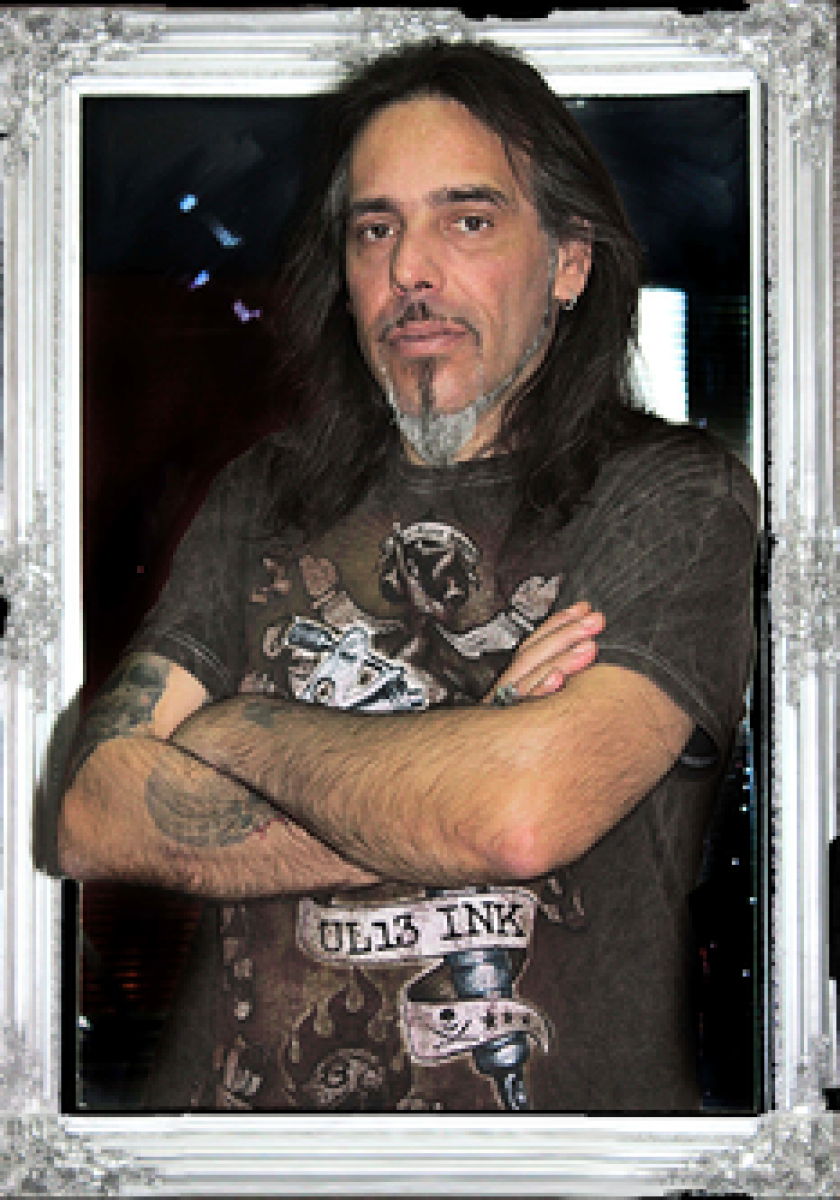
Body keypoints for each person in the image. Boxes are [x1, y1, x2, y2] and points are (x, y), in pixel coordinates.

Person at [54, 38, 758, 1113]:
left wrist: (237, 728)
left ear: (569, 261)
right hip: (229, 1163)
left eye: (467, 221)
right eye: (375, 229)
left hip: (544, 1174)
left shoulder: (671, 494)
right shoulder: (265, 493)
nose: (410, 273)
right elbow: (94, 810)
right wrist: (460, 762)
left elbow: (517, 817)